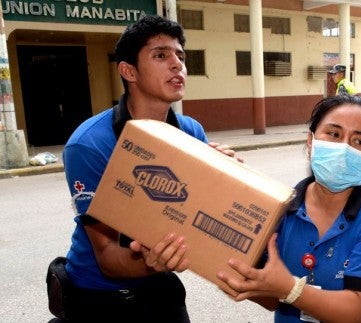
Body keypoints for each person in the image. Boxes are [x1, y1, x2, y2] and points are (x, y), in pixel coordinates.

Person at [48, 15, 239, 322]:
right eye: (161, 55)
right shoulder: (89, 144)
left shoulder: (191, 131)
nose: (177, 64)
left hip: (159, 286)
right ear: (129, 71)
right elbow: (108, 257)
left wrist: (227, 180)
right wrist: (155, 262)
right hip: (98, 296)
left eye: (180, 56)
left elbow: (200, 217)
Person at [217, 94, 361, 322]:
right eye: (334, 134)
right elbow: (270, 298)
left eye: (359, 141)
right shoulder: (279, 208)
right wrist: (218, 183)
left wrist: (290, 288)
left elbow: (359, 313)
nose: (344, 147)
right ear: (311, 141)